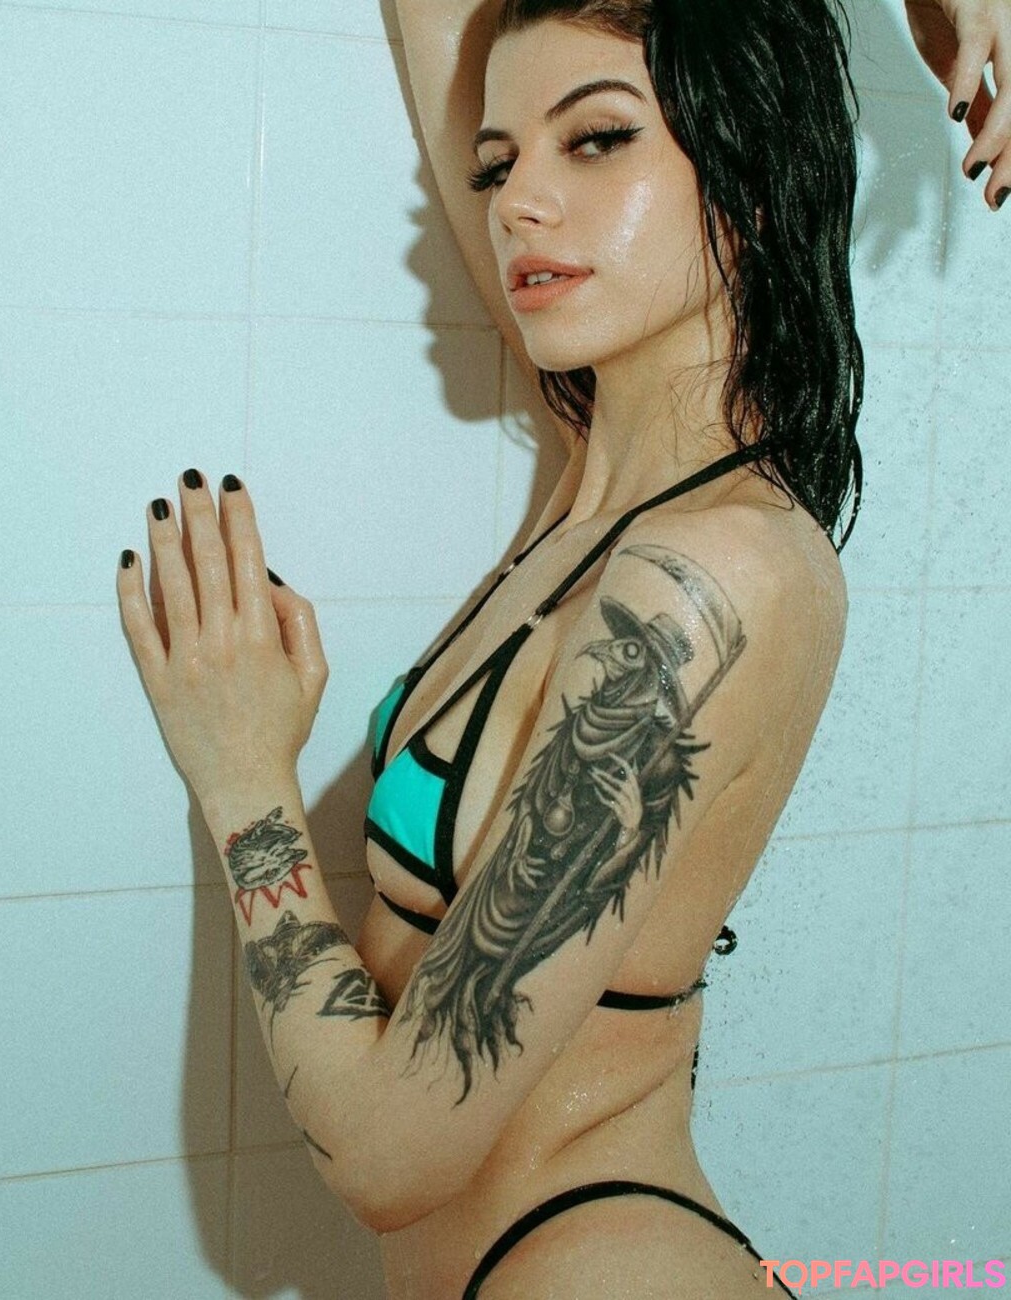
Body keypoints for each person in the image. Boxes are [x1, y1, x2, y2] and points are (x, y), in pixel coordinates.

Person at [116, 0, 1010, 1295]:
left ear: (754, 171)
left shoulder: (716, 575)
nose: (521, 203)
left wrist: (245, 777)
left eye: (597, 140)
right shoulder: (598, 471)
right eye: (497, 165)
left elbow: (385, 1154)